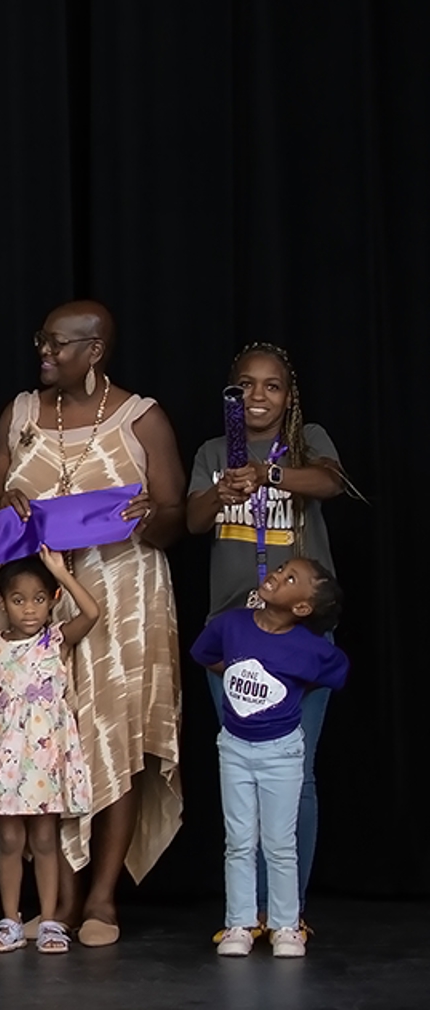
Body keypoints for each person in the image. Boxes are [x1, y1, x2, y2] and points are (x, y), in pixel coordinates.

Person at [0, 301, 187, 947]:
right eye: (42, 340)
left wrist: (152, 516)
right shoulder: (21, 412)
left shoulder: (141, 418)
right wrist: (1, 504)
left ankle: (101, 899)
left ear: (94, 352)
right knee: (40, 746)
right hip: (30, 605)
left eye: (57, 344)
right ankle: (53, 900)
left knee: (111, 745)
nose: (44, 353)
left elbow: (176, 520)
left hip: (120, 603)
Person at [185, 342, 350, 945]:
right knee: (242, 779)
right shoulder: (212, 452)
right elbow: (193, 521)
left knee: (295, 777)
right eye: (246, 386)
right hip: (234, 633)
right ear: (231, 394)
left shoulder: (309, 442)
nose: (259, 395)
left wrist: (269, 474)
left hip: (300, 641)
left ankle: (288, 912)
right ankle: (244, 913)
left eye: (272, 385)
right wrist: (218, 493)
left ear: (290, 395)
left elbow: (331, 484)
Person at [189, 559, 348, 959]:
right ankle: (239, 923)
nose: (277, 576)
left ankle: (286, 925)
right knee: (239, 840)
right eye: (280, 569)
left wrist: (291, 689)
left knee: (279, 843)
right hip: (235, 748)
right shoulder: (232, 625)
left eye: (290, 578)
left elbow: (335, 673)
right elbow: (205, 653)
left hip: (282, 753)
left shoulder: (308, 646)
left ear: (302, 609)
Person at [0, 548, 100, 955]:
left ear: (52, 600)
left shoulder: (55, 640)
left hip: (43, 757)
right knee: (11, 839)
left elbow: (91, 613)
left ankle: (51, 921)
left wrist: (60, 573)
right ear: (1, 601)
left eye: (39, 599)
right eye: (18, 600)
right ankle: (11, 919)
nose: (30, 609)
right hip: (2, 758)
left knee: (46, 838)